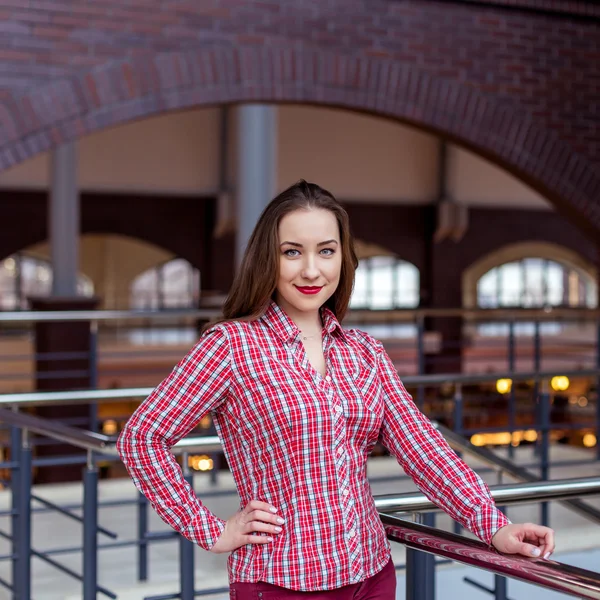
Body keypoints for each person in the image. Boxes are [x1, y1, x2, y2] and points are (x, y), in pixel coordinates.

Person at [117, 180, 555, 600]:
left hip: (372, 577)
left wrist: (494, 526)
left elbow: (423, 448)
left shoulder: (365, 352)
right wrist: (210, 530)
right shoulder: (232, 346)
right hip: (279, 583)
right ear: (267, 259)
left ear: (343, 258)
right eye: (292, 252)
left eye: (326, 251)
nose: (311, 270)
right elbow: (142, 438)